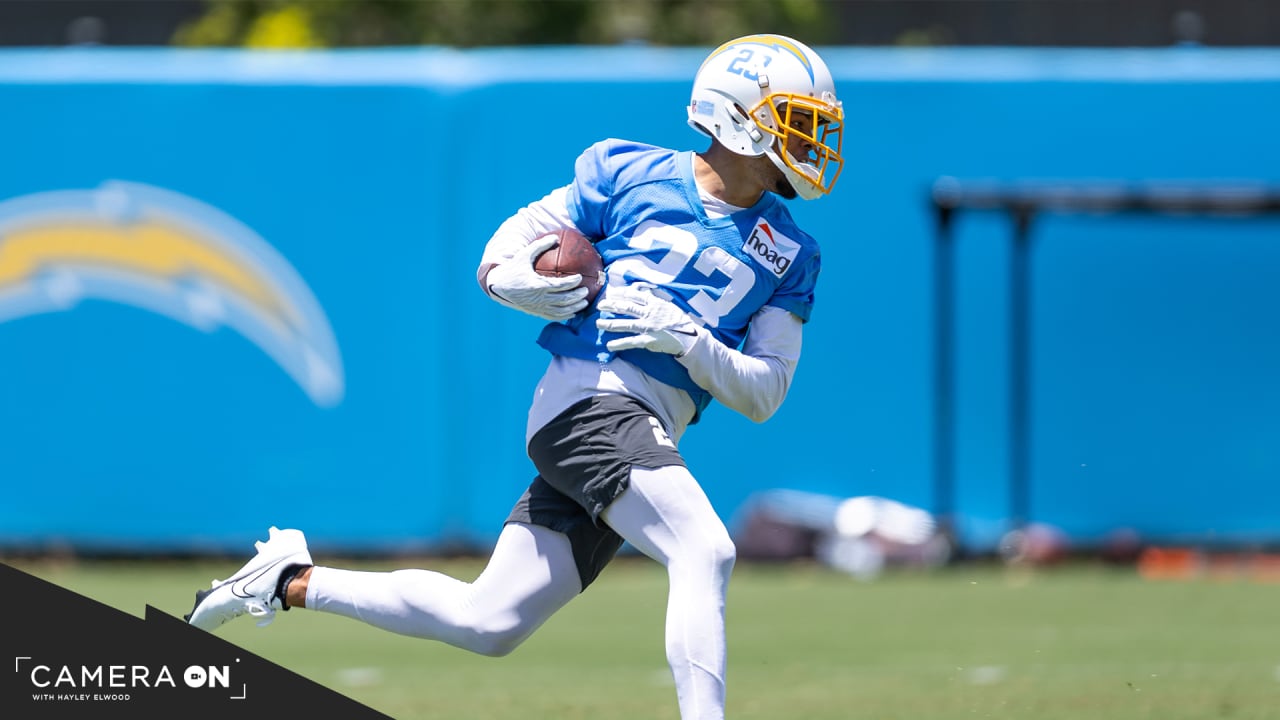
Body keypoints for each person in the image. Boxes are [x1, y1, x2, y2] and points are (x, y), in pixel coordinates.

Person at [186, 33, 844, 720]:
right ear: (738, 113)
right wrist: (511, 280)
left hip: (645, 428)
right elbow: (511, 243)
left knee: (488, 621)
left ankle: (287, 581)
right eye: (796, 117)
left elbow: (764, 393)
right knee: (704, 550)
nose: (810, 138)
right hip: (590, 404)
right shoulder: (627, 171)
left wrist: (687, 341)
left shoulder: (792, 252)